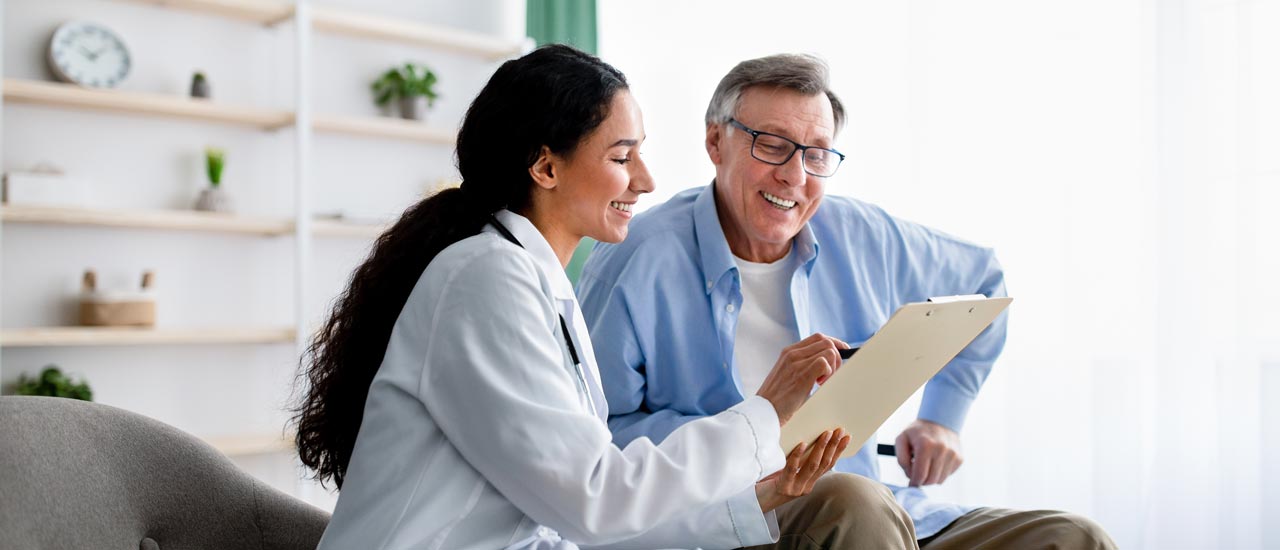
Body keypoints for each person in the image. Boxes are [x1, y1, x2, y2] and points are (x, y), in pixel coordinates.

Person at [291, 45, 859, 550]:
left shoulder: (535, 283)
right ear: (545, 166)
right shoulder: (484, 279)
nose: (646, 180)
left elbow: (581, 515)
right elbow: (596, 502)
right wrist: (763, 414)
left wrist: (758, 499)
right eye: (621, 157)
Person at [577, 53, 1118, 549]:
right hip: (734, 517)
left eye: (816, 155)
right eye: (771, 144)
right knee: (854, 502)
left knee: (1073, 537)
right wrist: (754, 436)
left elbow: (985, 280)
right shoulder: (634, 260)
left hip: (884, 516)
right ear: (715, 143)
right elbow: (600, 440)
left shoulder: (862, 234)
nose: (794, 175)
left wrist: (942, 420)